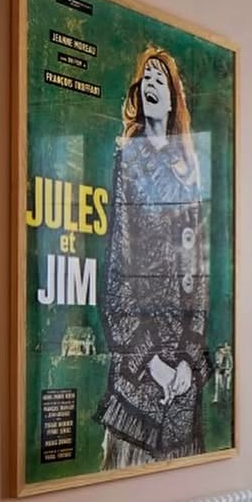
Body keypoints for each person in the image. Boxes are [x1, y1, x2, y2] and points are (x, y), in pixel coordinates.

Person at [97, 46, 212, 468]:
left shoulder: (190, 171)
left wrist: (186, 361)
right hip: (141, 376)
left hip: (181, 382)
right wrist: (153, 362)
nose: (151, 84)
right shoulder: (130, 160)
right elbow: (118, 271)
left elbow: (198, 277)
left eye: (159, 79)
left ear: (172, 98)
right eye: (146, 78)